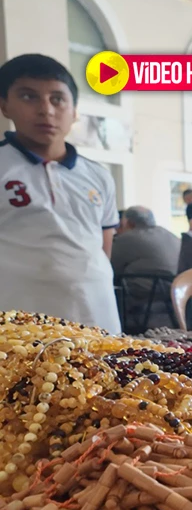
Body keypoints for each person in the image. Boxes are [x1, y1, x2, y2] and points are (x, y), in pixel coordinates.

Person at [0, 54, 122, 334]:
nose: (46, 110)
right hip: (19, 328)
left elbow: (103, 250)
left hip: (96, 317)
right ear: (5, 105)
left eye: (57, 99)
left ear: (74, 109)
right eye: (28, 97)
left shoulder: (99, 176)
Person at [109, 206, 180, 331]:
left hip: (147, 292)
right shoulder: (170, 235)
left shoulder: (127, 239)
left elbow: (111, 267)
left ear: (127, 222)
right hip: (175, 292)